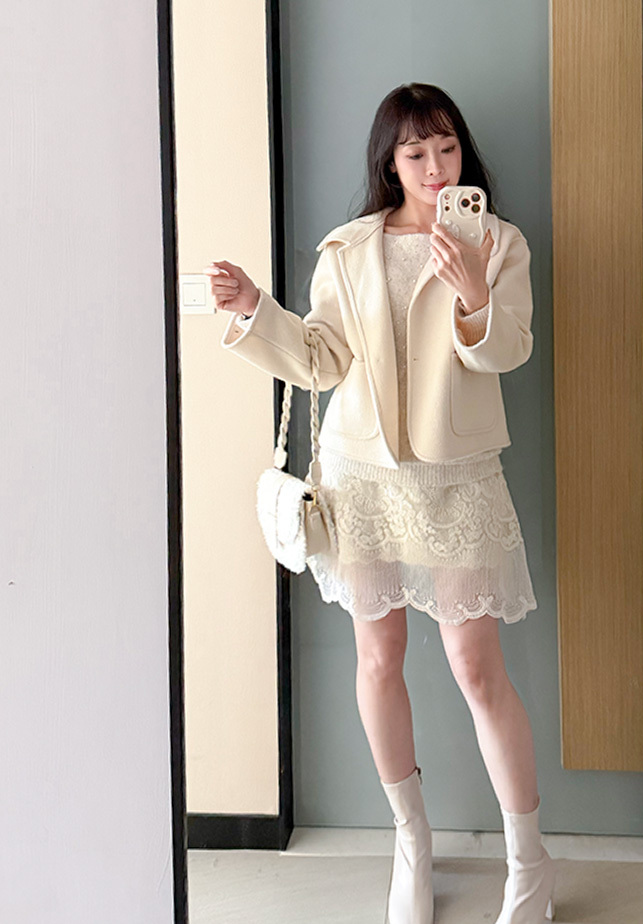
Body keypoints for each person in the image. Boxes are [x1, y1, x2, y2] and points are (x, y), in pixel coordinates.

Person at [204, 83, 555, 924]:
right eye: (416, 152)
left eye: (447, 148)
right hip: (361, 480)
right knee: (376, 660)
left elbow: (509, 349)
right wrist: (255, 310)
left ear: (463, 152)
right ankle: (410, 844)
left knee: (477, 668)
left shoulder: (498, 242)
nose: (436, 168)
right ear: (390, 163)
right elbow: (321, 361)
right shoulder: (347, 249)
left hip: (456, 481)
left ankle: (530, 863)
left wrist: (473, 289)